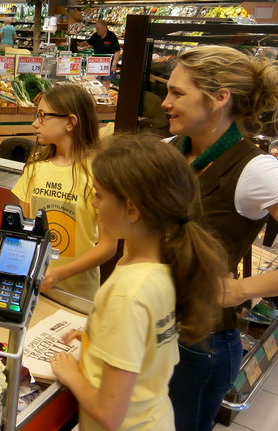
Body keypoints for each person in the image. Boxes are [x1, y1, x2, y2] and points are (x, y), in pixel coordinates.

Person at [50, 134, 228, 431]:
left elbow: (109, 415)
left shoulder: (128, 292)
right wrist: (97, 339)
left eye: (99, 195)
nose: (93, 203)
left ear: (131, 209)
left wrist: (71, 374)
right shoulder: (165, 264)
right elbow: (147, 340)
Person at [161, 45, 278, 431]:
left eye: (178, 93)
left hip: (199, 344)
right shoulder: (168, 152)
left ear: (219, 98)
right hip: (151, 321)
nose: (165, 103)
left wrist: (242, 288)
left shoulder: (255, 170)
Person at [12, 84, 115, 302]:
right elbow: (24, 231)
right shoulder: (34, 167)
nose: (34, 123)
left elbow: (108, 246)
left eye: (42, 116)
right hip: (36, 289)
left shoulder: (98, 171)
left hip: (79, 295)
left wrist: (60, 273)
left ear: (70, 122)